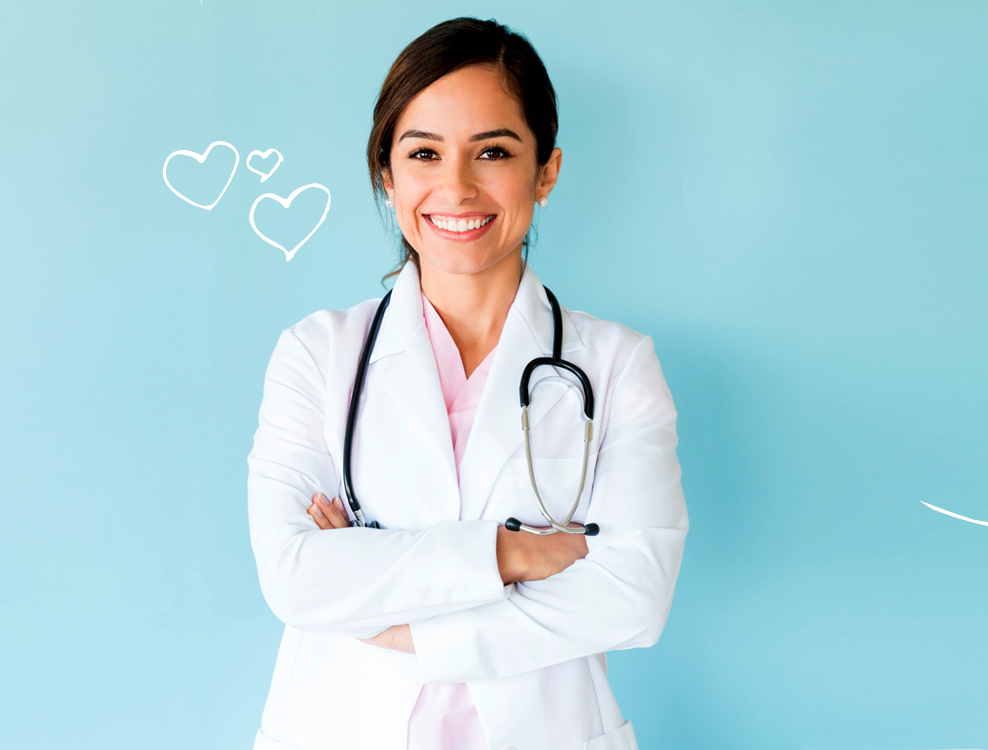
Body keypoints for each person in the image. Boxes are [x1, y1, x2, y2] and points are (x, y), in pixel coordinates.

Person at [247, 18, 687, 750]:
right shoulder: (318, 355)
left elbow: (634, 598)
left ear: (545, 172)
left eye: (494, 151)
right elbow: (295, 577)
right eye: (423, 153)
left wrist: (394, 617)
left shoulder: (617, 365)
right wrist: (511, 554)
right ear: (387, 175)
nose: (456, 186)